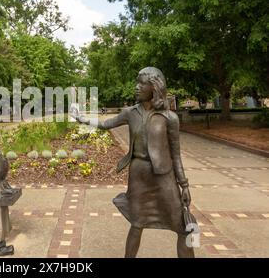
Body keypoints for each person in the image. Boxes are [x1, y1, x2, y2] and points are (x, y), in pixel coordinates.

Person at [72, 67, 195, 258]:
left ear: (154, 87)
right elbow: (106, 124)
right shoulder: (130, 113)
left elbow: (176, 155)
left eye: (141, 83)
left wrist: (184, 185)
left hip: (164, 177)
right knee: (137, 224)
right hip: (139, 175)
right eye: (136, 83)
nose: (136, 87)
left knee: (183, 226)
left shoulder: (170, 118)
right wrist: (82, 119)